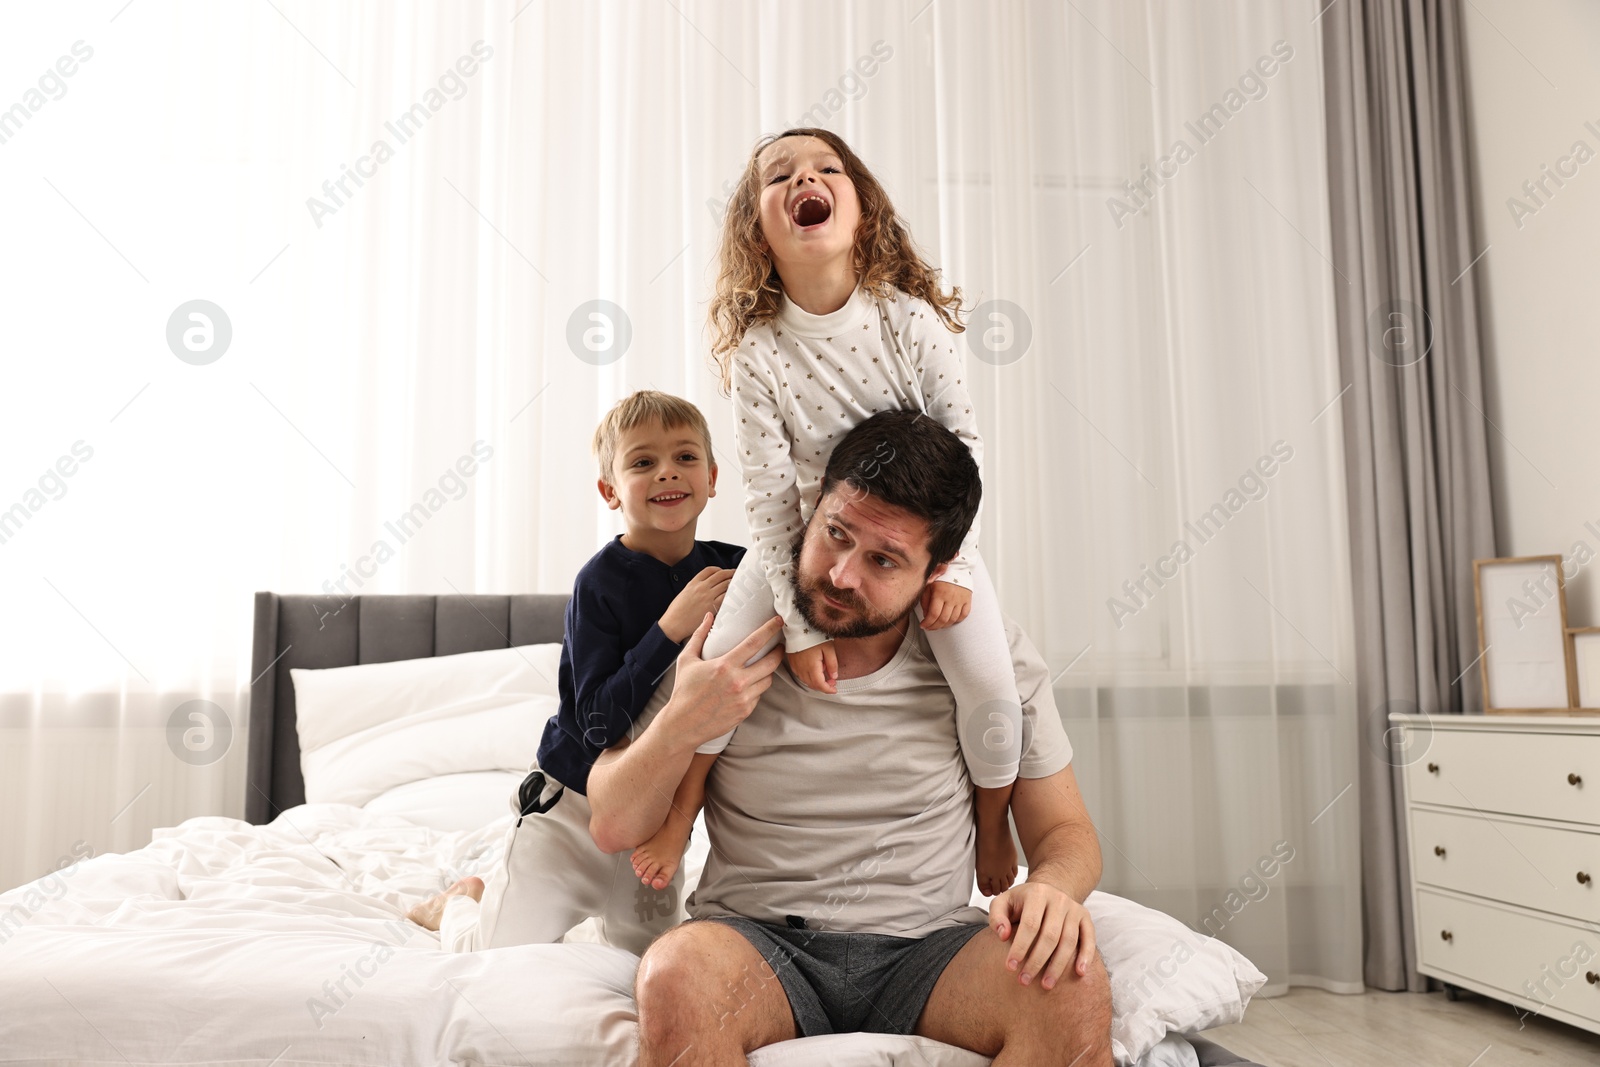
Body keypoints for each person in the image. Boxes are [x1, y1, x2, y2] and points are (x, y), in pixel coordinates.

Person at [588, 411, 1113, 1067]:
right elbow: (611, 821)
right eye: (834, 533)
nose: (840, 574)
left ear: (937, 570)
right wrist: (679, 719)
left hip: (931, 947)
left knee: (1071, 982)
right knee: (673, 975)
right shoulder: (729, 635)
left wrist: (1054, 890)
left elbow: (1067, 833)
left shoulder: (985, 661)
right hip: (755, 939)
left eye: (883, 560)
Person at [627, 127, 1024, 900]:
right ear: (759, 230)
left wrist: (949, 568)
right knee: (720, 667)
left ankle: (994, 811)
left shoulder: (909, 324)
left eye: (825, 168)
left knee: (992, 687)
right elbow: (771, 502)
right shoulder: (760, 354)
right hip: (806, 546)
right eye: (781, 176)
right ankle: (682, 810)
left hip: (924, 543)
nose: (804, 178)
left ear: (861, 211)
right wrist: (801, 625)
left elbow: (963, 456)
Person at [405, 390, 762, 956]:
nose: (667, 472)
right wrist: (668, 629)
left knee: (646, 962)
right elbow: (596, 722)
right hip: (567, 808)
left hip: (652, 821)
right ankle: (459, 900)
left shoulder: (735, 570)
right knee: (489, 954)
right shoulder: (599, 582)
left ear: (714, 477)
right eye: (643, 462)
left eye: (685, 457)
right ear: (610, 489)